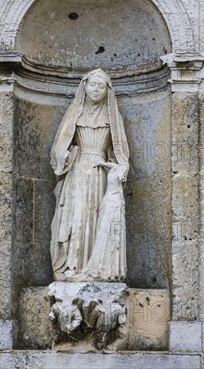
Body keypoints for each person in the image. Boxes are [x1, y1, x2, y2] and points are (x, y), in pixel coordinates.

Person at [50, 68, 129, 282]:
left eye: (101, 86)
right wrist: (63, 156)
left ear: (107, 90)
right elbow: (60, 145)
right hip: (77, 170)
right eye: (93, 85)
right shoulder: (75, 112)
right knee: (76, 214)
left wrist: (120, 166)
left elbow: (120, 149)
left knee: (97, 216)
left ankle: (97, 266)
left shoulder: (113, 117)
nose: (96, 89)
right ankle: (73, 264)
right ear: (85, 86)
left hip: (100, 173)